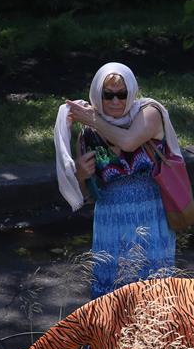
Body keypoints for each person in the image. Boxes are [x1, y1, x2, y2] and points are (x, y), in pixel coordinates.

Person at [53, 62, 179, 300]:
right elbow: (87, 194)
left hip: (150, 215)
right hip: (110, 220)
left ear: (131, 92)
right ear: (97, 95)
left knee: (153, 292)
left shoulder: (149, 113)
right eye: (107, 94)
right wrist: (81, 175)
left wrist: (92, 119)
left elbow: (129, 142)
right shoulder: (88, 134)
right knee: (112, 295)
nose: (115, 101)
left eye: (122, 94)